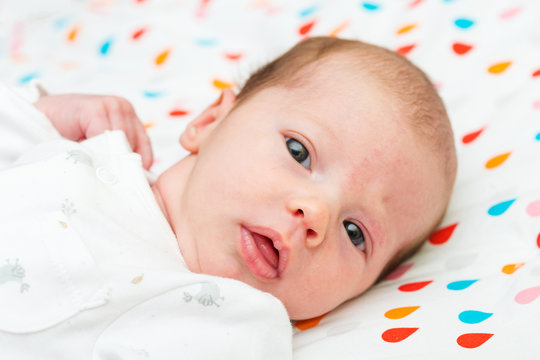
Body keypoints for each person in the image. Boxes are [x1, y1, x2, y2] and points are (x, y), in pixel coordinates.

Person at [0, 36, 456, 357]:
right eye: (299, 152)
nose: (316, 213)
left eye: (355, 233)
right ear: (209, 121)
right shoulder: (92, 151)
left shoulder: (235, 328)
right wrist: (39, 114)